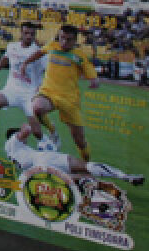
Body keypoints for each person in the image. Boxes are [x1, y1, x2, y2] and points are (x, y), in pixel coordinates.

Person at [17, 24, 99, 161]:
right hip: (48, 92)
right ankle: (52, 131)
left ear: (75, 41)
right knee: (36, 107)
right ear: (59, 36)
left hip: (69, 100)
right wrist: (26, 63)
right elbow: (39, 53)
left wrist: (94, 80)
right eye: (62, 38)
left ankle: (86, 166)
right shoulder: (52, 46)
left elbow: (90, 71)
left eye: (69, 39)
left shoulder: (79, 56)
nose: (64, 42)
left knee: (79, 140)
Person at [0, 21, 58, 145]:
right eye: (26, 33)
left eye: (32, 34)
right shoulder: (12, 46)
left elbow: (48, 72)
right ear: (21, 33)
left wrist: (42, 89)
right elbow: (5, 58)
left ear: (35, 35)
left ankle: (49, 145)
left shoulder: (39, 53)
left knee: (37, 132)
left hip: (29, 94)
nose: (29, 36)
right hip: (11, 90)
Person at [4, 123, 144, 186]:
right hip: (44, 158)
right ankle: (124, 176)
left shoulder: (12, 153)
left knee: (79, 178)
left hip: (38, 171)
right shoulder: (13, 140)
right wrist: (27, 125)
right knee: (87, 166)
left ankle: (94, 184)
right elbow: (27, 129)